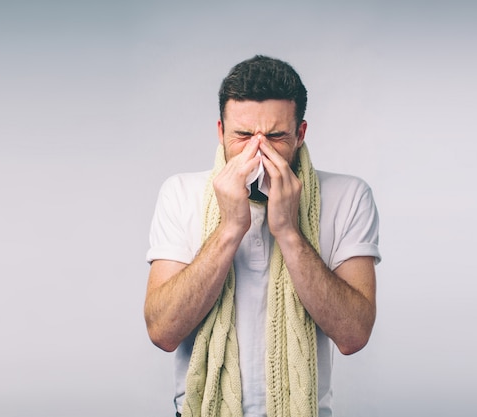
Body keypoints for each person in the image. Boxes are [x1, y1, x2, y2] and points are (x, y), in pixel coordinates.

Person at [144, 55, 380, 417]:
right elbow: (163, 331)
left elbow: (353, 336)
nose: (258, 150)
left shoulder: (349, 195)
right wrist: (229, 228)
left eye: (275, 136)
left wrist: (288, 230)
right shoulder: (179, 192)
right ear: (220, 132)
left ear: (300, 134)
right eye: (242, 136)